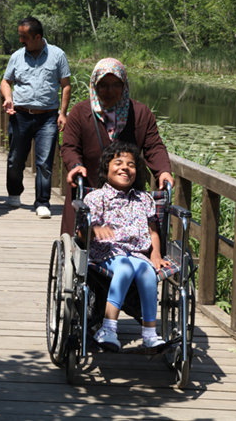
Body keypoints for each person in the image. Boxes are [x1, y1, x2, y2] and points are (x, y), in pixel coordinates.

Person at [60, 57, 174, 236]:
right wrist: (75, 165)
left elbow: (154, 147)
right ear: (94, 86)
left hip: (129, 197)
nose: (110, 91)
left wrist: (163, 171)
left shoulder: (141, 114)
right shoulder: (80, 113)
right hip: (90, 189)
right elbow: (69, 147)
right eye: (103, 85)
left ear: (124, 85)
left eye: (116, 85)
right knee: (82, 242)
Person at [83, 141, 168, 351]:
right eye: (118, 162)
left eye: (131, 164)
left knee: (148, 271)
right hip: (106, 252)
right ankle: (108, 328)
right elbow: (81, 232)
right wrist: (94, 231)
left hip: (137, 252)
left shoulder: (144, 199)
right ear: (106, 168)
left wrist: (156, 254)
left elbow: (153, 231)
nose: (125, 167)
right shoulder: (96, 197)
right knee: (125, 267)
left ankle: (150, 333)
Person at [1, 17, 71, 219]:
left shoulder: (57, 55)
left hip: (48, 117)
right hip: (20, 115)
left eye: (24, 37)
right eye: (20, 36)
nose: (21, 41)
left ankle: (42, 202)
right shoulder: (17, 56)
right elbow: (6, 81)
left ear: (38, 37)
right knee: (15, 159)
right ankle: (14, 193)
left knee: (44, 162)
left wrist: (63, 113)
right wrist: (8, 98)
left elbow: (66, 85)